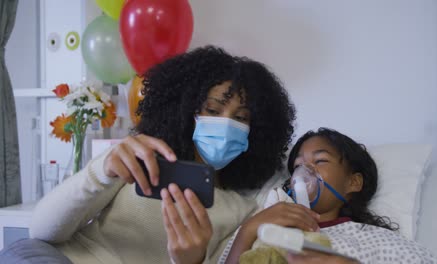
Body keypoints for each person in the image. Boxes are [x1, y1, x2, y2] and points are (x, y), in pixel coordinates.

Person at [0, 46, 297, 264]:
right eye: (212, 110)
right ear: (186, 109)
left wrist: (188, 262)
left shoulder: (241, 209)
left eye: (241, 118)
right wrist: (102, 170)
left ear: (256, 132)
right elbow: (41, 231)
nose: (226, 124)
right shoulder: (141, 156)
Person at [224, 128, 437, 264]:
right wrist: (249, 231)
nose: (304, 172)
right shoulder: (260, 229)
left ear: (353, 182)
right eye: (298, 165)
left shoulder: (375, 242)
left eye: (320, 161)